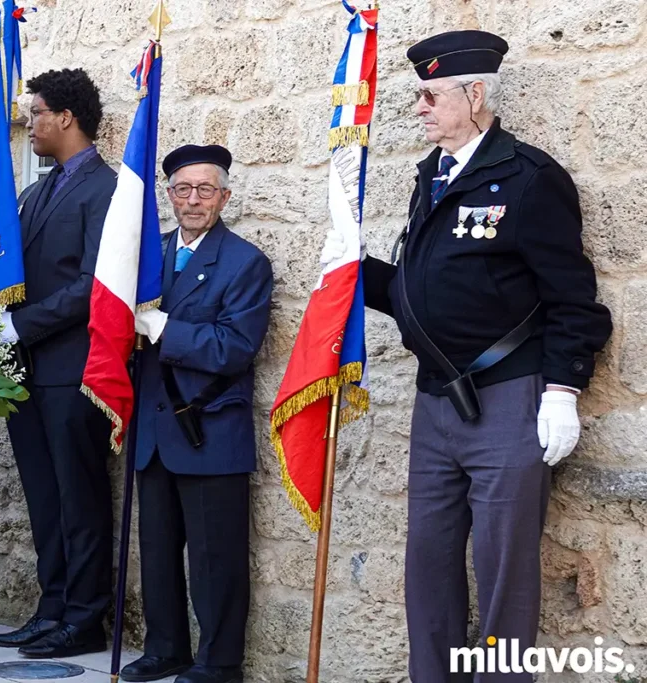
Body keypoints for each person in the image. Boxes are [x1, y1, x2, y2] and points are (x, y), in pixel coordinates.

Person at [321, 30, 612, 682]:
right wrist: (353, 274)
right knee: (427, 558)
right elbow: (416, 294)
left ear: (474, 94)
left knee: (504, 567)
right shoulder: (432, 176)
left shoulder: (528, 179)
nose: (419, 108)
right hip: (437, 401)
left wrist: (563, 390)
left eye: (430, 95)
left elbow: (575, 301)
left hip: (508, 396)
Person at [119, 146, 273, 683]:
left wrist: (161, 328)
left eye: (205, 190)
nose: (192, 199)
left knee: (215, 560)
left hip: (208, 428)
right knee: (157, 552)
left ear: (224, 197)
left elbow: (234, 347)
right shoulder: (148, 257)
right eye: (182, 189)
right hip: (155, 432)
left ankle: (219, 662)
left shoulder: (244, 262)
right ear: (169, 195)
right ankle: (166, 649)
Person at [0, 67, 115, 659]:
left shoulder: (106, 188)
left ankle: (87, 616)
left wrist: (20, 323)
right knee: (44, 496)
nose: (29, 124)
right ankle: (54, 606)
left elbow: (95, 285)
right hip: (27, 369)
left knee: (80, 496)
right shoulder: (38, 189)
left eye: (35, 112)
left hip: (74, 368)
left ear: (65, 116)